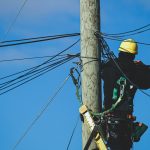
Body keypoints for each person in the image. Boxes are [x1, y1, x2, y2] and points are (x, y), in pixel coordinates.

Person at [102, 39, 150, 150]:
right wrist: (143, 67)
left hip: (109, 119)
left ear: (120, 52)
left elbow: (101, 72)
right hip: (125, 122)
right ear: (133, 55)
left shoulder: (108, 67)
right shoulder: (137, 71)